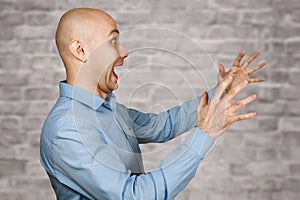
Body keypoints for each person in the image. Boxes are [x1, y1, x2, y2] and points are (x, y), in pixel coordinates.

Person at [40, 8, 266, 200]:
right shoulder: (67, 130)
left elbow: (162, 125)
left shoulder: (109, 108)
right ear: (80, 51)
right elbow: (135, 196)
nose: (124, 52)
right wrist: (205, 134)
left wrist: (221, 91)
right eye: (113, 41)